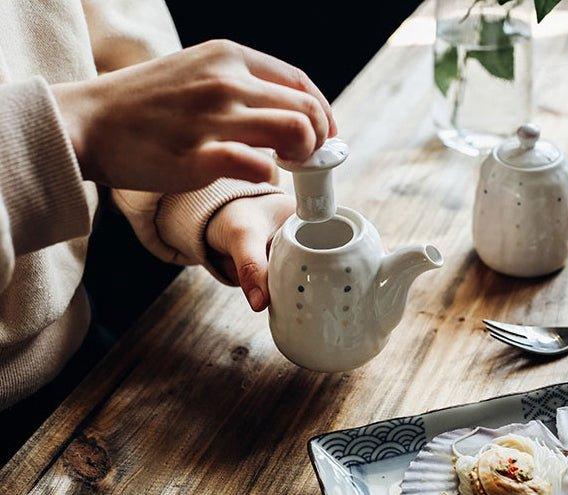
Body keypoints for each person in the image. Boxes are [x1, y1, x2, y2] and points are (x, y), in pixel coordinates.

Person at [0, 0, 336, 414]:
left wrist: (213, 193)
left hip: (77, 352)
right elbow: (95, 111)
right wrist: (67, 130)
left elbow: (115, 50)